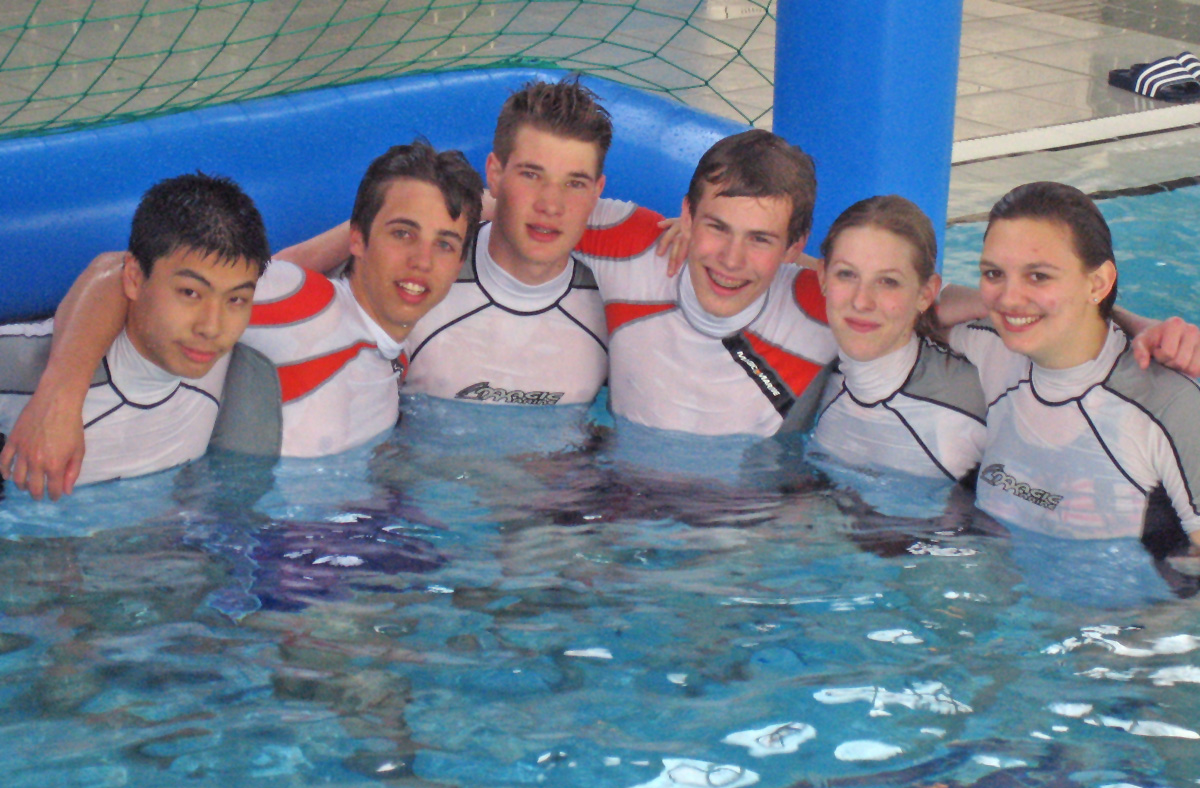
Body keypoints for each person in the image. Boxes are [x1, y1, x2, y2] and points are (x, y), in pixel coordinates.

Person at [0, 140, 483, 496]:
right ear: (357, 237)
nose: (421, 262)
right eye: (402, 233)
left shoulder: (404, 353)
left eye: (444, 244)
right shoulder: (304, 301)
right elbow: (118, 272)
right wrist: (59, 398)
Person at [284, 78, 613, 407]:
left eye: (575, 183)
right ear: (495, 174)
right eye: (531, 175)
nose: (550, 205)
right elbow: (275, 295)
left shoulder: (617, 301)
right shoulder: (416, 276)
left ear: (597, 191)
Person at [946, 182, 1200, 562]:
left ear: (1098, 282)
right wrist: (1010, 310)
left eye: (1038, 276)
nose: (1010, 297)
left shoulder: (1170, 403)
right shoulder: (990, 346)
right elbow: (907, 304)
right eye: (994, 273)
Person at [0, 173, 269, 497]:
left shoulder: (226, 350)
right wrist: (59, 397)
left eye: (236, 300)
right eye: (189, 293)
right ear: (134, 278)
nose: (211, 328)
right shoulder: (19, 369)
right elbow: (109, 269)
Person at [578, 129, 837, 436]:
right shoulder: (633, 250)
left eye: (760, 239)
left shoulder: (827, 308)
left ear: (794, 246)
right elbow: (535, 210)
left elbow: (888, 291)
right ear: (688, 216)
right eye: (717, 227)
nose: (731, 260)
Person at [808, 195, 986, 483]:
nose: (861, 301)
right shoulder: (812, 367)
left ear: (926, 294)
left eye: (888, 281)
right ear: (823, 278)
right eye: (847, 274)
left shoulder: (969, 407)